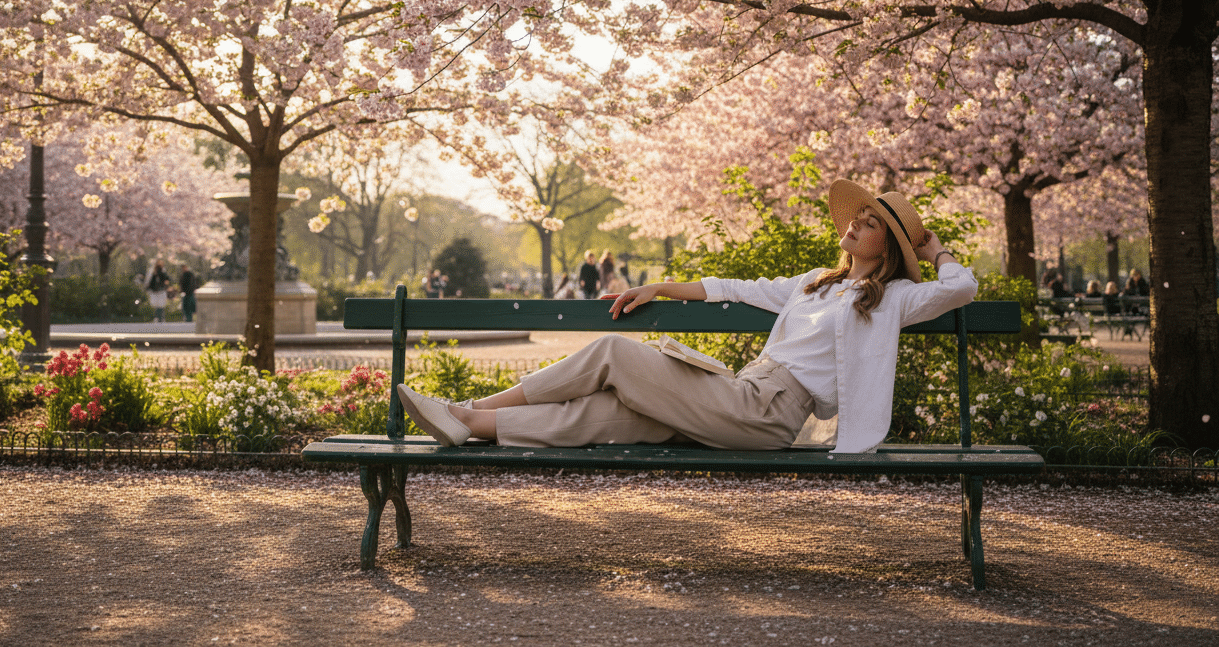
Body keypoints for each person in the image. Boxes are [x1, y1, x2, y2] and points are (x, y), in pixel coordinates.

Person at [395, 179, 977, 455]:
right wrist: (658, 287)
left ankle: (468, 407)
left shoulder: (891, 299)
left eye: (871, 224)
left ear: (889, 248)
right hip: (740, 392)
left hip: (767, 411)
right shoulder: (814, 283)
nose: (855, 224)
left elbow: (962, 288)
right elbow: (733, 287)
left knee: (613, 352)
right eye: (858, 217)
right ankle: (468, 424)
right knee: (608, 414)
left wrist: (935, 251)